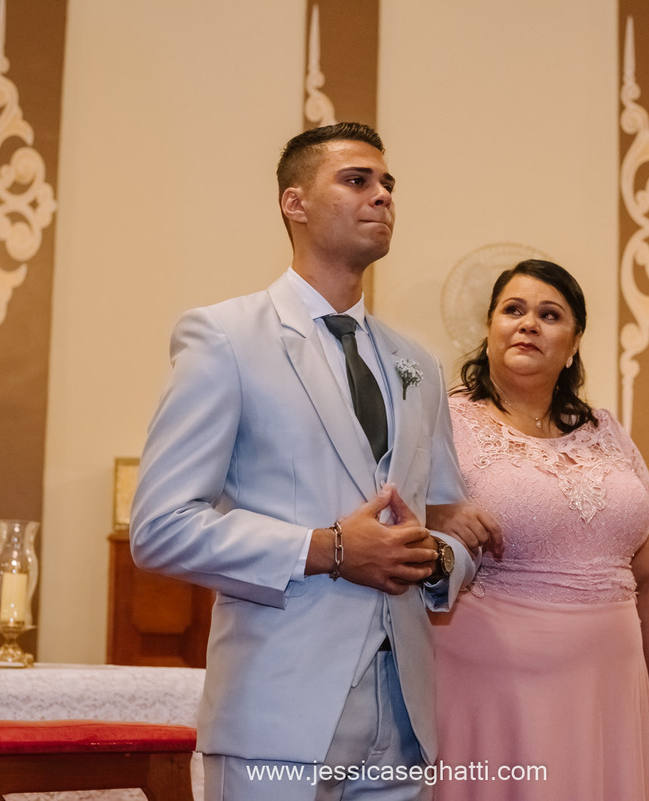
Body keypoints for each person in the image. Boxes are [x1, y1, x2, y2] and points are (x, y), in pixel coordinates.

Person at [129, 122, 498, 801]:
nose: (382, 195)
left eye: (388, 184)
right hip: (281, 709)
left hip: (405, 715)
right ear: (294, 203)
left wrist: (443, 559)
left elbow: (446, 517)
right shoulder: (225, 337)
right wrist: (327, 548)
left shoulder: (415, 362)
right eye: (357, 180)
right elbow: (160, 525)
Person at [427, 259, 649, 800]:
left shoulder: (606, 432)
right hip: (493, 685)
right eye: (513, 310)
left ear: (574, 342)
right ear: (490, 328)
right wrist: (434, 516)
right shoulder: (444, 423)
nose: (528, 324)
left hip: (610, 688)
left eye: (550, 314)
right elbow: (395, 521)